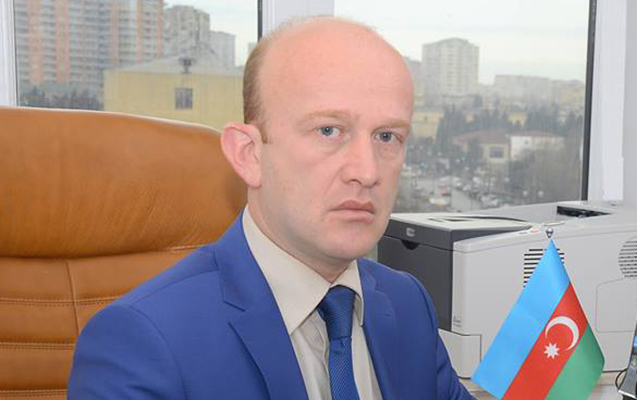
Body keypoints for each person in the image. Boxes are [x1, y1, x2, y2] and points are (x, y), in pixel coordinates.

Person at [68, 17, 475, 400]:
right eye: (329, 130)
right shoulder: (141, 342)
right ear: (249, 154)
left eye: (387, 137)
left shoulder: (408, 304)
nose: (367, 172)